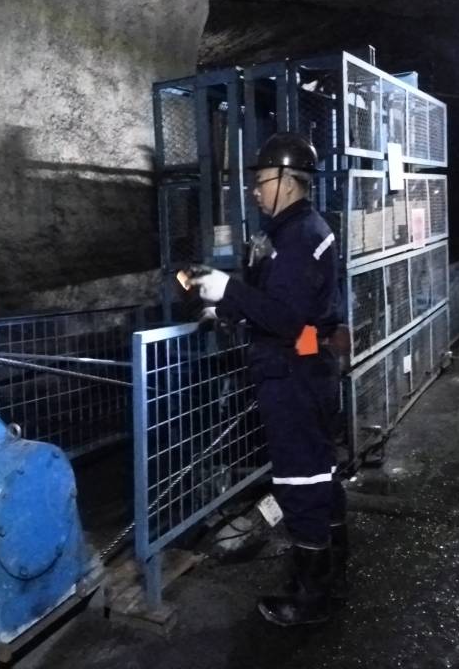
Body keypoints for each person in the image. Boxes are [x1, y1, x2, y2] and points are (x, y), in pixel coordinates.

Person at [190, 132, 346, 627]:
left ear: (287, 181)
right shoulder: (297, 229)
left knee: (299, 477)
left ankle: (311, 595)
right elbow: (278, 302)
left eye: (261, 181)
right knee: (320, 470)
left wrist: (227, 290)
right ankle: (335, 556)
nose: (255, 190)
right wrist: (226, 308)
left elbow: (287, 318)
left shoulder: (297, 238)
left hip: (293, 371)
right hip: (307, 364)